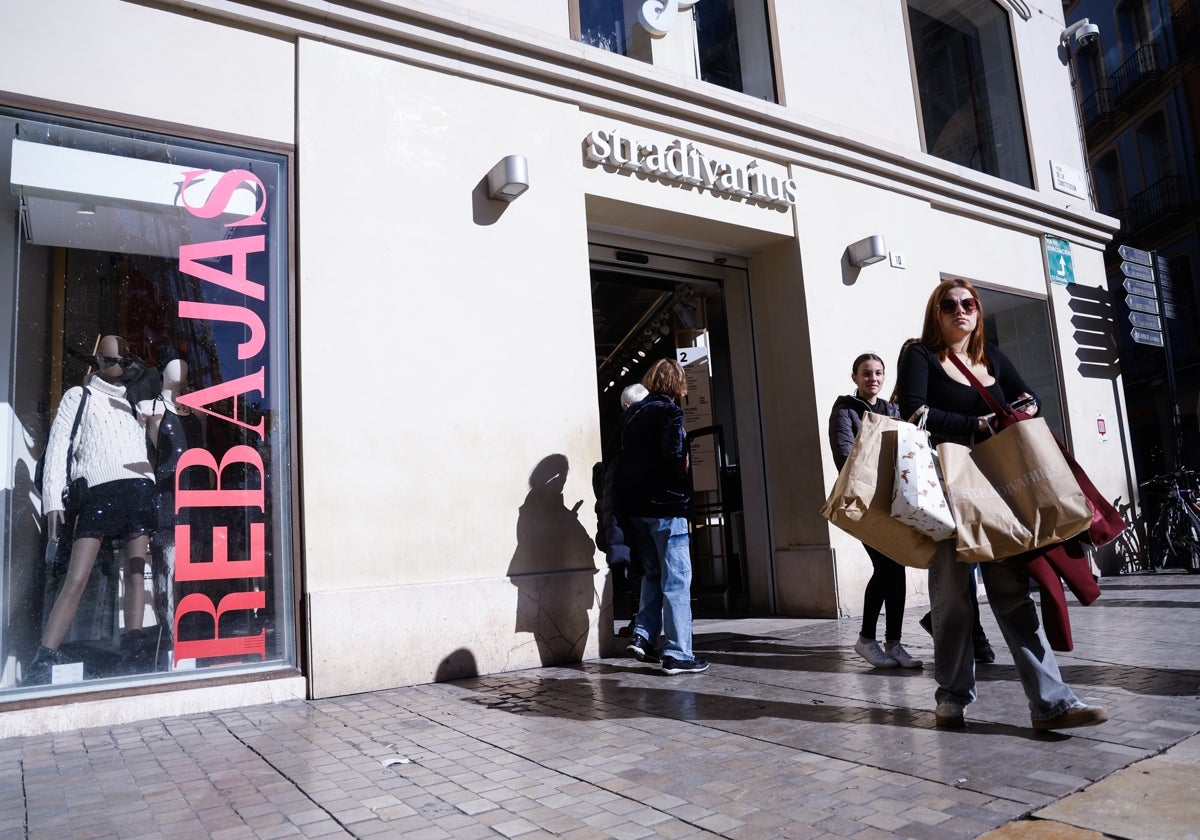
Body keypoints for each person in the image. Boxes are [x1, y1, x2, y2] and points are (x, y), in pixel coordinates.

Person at [896, 278, 1108, 731]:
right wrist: (977, 424)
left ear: (978, 311)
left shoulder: (993, 358)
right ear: (937, 314)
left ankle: (1052, 703)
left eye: (968, 303)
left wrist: (1024, 408)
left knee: (1013, 596)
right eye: (948, 305)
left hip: (1000, 493)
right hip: (951, 490)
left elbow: (1026, 398)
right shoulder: (920, 355)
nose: (960, 311)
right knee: (953, 598)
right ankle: (952, 695)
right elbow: (913, 411)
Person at [25, 335, 157, 685]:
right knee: (77, 576)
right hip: (100, 493)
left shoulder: (134, 404)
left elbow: (143, 445)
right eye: (112, 360)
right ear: (97, 360)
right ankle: (45, 656)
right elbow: (58, 449)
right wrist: (53, 500)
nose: (119, 367)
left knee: (134, 573)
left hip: (139, 490)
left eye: (125, 362)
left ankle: (134, 648)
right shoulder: (79, 396)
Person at [894, 339, 996, 665]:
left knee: (966, 555)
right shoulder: (909, 403)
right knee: (956, 556)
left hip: (960, 476)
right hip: (936, 482)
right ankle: (971, 634)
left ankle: (961, 628)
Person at [829, 353, 922, 669]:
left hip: (894, 500)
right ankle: (867, 640)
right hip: (865, 503)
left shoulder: (892, 410)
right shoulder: (844, 411)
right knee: (886, 567)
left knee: (897, 566)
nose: (873, 378)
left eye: (879, 373)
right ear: (855, 377)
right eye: (866, 373)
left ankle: (893, 643)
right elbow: (844, 456)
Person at [616, 359, 708, 675]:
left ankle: (643, 635)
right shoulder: (669, 412)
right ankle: (678, 653)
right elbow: (672, 456)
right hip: (667, 508)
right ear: (679, 384)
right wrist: (683, 488)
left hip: (637, 509)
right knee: (678, 580)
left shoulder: (633, 414)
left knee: (654, 574)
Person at [136, 356, 207, 667]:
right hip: (165, 497)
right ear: (162, 371)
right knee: (167, 570)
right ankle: (170, 637)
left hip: (196, 499)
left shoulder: (197, 414)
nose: (182, 369)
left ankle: (190, 633)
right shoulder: (147, 408)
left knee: (191, 571)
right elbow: (142, 458)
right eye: (175, 364)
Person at [594, 383, 648, 637]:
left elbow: (610, 478)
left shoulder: (622, 433)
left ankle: (641, 623)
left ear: (626, 406)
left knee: (638, 569)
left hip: (629, 512)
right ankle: (647, 626)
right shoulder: (654, 425)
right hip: (653, 509)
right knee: (652, 570)